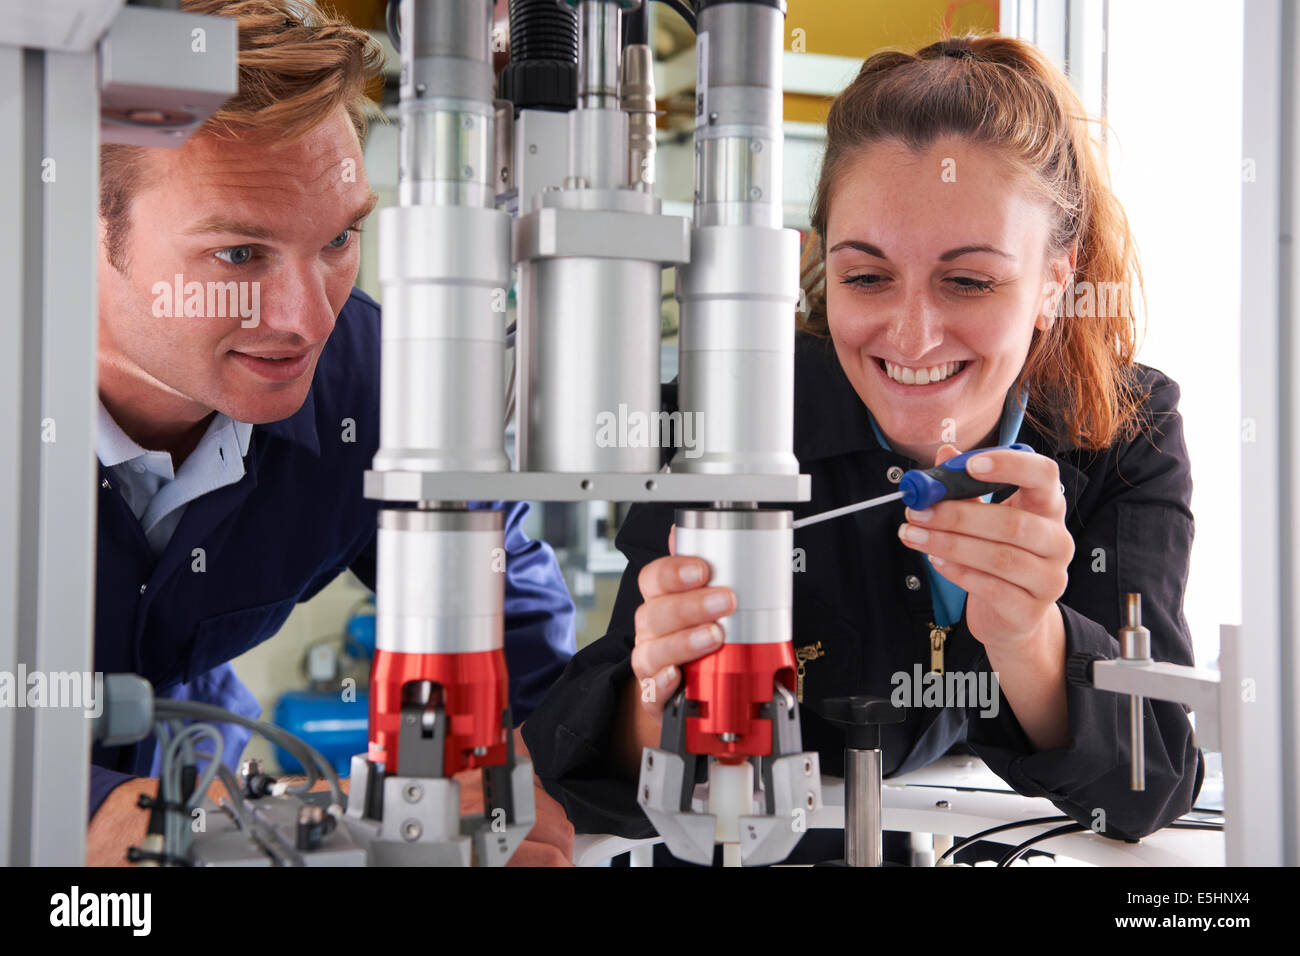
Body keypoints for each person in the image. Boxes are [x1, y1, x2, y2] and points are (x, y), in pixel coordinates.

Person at [522, 34, 1203, 855]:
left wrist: (1028, 638)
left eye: (970, 280)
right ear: (818, 267)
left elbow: (1149, 783)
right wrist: (654, 691)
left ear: (1057, 280)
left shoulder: (1124, 430)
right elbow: (598, 775)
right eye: (867, 277)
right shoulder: (739, 412)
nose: (912, 337)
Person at [88, 0, 576, 866]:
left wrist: (532, 755)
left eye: (342, 238)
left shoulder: (369, 381)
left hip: (191, 787)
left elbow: (495, 575)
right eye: (239, 255)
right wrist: (91, 812)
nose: (307, 319)